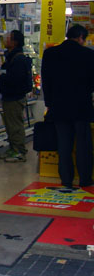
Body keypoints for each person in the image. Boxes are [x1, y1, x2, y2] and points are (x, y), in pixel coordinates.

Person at [41, 25, 94, 188]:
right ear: (80, 37)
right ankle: (85, 179)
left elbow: (46, 81)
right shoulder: (88, 54)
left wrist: (49, 103)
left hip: (58, 106)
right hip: (81, 106)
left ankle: (66, 179)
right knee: (83, 144)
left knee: (63, 144)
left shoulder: (50, 54)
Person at [0, 30, 30, 162]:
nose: (6, 40)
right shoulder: (12, 57)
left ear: (14, 42)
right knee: (10, 125)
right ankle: (13, 148)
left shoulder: (18, 59)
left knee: (15, 125)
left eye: (9, 38)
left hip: (14, 96)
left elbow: (15, 79)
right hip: (9, 96)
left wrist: (0, 77)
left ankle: (19, 151)